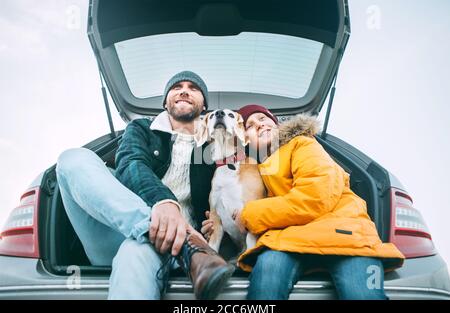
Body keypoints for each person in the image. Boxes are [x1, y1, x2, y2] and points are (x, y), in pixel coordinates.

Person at [56, 71, 234, 300]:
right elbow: (131, 162)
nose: (184, 90)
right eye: (177, 86)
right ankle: (188, 246)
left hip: (153, 250)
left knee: (135, 252)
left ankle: (185, 244)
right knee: (73, 159)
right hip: (120, 232)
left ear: (204, 106)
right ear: (165, 102)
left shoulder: (213, 147)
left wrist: (218, 223)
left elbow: (232, 188)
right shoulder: (141, 129)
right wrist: (164, 203)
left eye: (193, 88)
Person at [231, 104, 405, 300]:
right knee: (264, 290)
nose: (259, 125)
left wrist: (248, 215)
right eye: (250, 126)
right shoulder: (256, 171)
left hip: (344, 235)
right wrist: (222, 219)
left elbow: (314, 197)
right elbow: (249, 203)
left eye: (262, 119)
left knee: (362, 295)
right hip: (287, 241)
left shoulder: (302, 144)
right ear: (245, 141)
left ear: (277, 123)